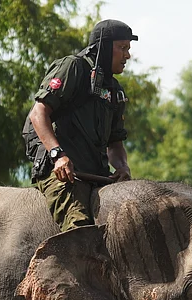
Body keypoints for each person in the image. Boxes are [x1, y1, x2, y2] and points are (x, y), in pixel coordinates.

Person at [22, 19, 136, 230]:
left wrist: (122, 167)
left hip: (97, 176)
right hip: (61, 174)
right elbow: (38, 114)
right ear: (103, 47)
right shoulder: (73, 67)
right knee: (80, 229)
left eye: (128, 49)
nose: (127, 56)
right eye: (122, 48)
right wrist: (58, 156)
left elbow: (115, 143)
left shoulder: (115, 90)